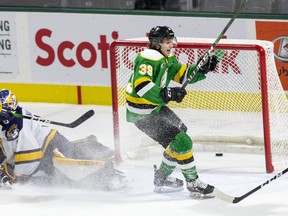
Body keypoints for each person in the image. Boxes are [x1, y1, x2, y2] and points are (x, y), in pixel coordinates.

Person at [125, 25, 218, 199]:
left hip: (155, 108)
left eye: (171, 41)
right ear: (157, 43)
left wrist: (202, 68)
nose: (172, 45)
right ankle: (193, 183)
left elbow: (183, 75)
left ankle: (161, 177)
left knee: (180, 136)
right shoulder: (149, 58)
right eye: (168, 42)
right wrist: (166, 93)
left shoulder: (167, 58)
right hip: (142, 113)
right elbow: (141, 85)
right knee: (183, 142)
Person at [0, 89, 128, 190]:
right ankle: (89, 145)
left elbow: (31, 159)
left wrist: (12, 175)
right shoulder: (10, 121)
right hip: (49, 147)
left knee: (72, 173)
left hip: (51, 147)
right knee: (68, 163)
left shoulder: (16, 125)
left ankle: (109, 174)